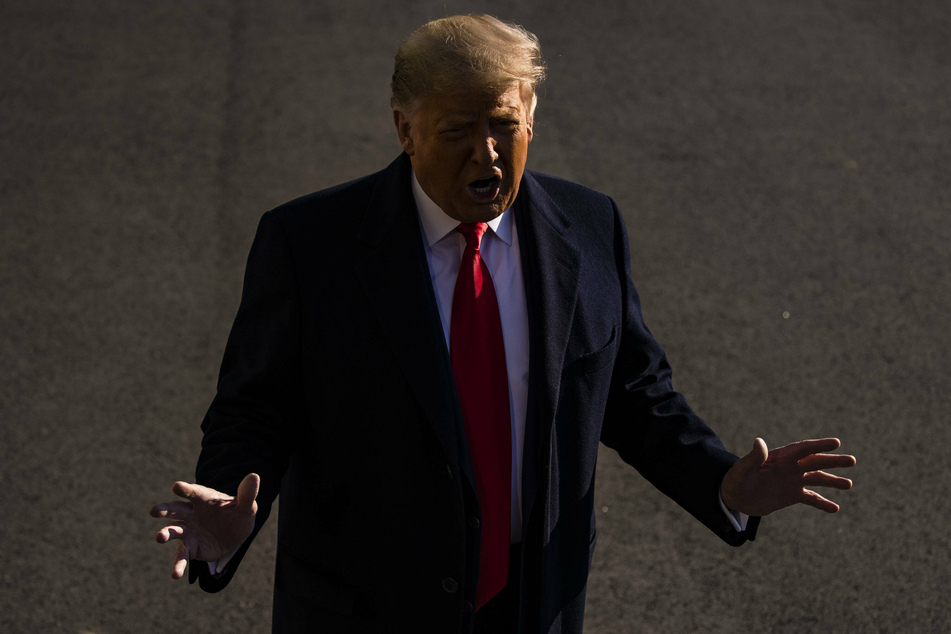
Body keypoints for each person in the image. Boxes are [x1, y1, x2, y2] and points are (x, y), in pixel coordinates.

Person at [150, 14, 855, 634]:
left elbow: (632, 393)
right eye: (456, 131)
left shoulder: (589, 226)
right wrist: (228, 505)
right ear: (405, 128)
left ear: (531, 117)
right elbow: (257, 409)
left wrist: (720, 484)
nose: (486, 153)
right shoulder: (310, 245)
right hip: (365, 610)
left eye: (503, 125)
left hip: (533, 604)